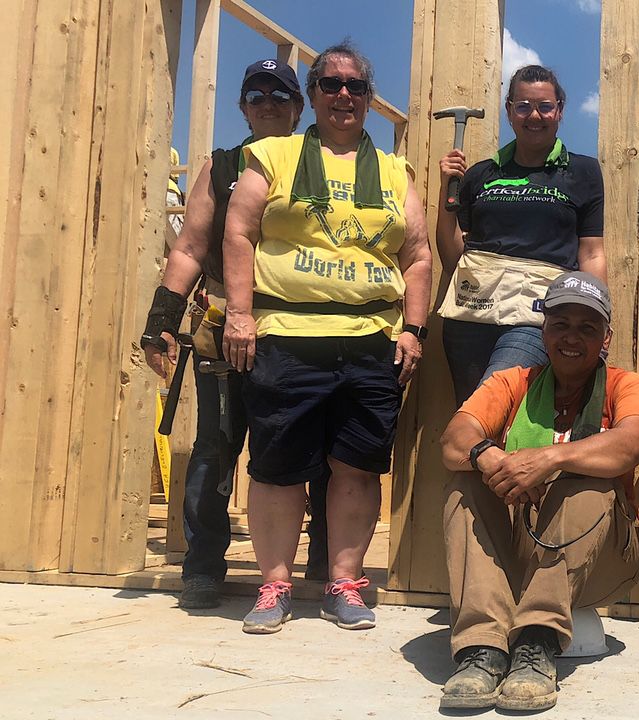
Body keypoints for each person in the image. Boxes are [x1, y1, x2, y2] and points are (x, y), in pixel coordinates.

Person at [221, 42, 433, 634]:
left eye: (356, 87)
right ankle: (273, 587)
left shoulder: (395, 170)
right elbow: (238, 232)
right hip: (286, 335)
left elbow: (418, 256)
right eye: (332, 84)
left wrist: (413, 329)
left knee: (359, 467)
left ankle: (344, 582)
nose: (344, 95)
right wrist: (240, 314)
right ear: (312, 95)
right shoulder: (273, 156)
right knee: (277, 466)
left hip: (371, 340)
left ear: (368, 98)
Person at [139, 59, 330, 610]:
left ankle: (316, 564)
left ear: (299, 107)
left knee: (309, 447)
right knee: (216, 447)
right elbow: (192, 246)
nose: (268, 104)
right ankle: (202, 567)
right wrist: (161, 323)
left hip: (301, 326)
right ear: (243, 107)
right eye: (256, 95)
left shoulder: (323, 164)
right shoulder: (222, 167)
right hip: (225, 327)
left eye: (281, 95)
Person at [437, 271, 639, 712]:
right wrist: (486, 456)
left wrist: (554, 458)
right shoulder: (512, 381)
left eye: (587, 328)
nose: (572, 337)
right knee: (465, 484)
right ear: (544, 329)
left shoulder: (625, 384)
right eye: (561, 324)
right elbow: (453, 439)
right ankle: (483, 649)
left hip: (604, 561)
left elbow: (635, 443)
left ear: (605, 338)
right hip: (521, 542)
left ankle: (537, 642)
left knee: (589, 483)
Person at [437, 65, 606, 406]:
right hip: (471, 314)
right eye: (523, 106)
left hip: (535, 316)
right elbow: (453, 257)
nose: (535, 116)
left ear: (559, 110)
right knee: (473, 421)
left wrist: (600, 314)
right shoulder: (479, 174)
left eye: (545, 106)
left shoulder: (582, 171)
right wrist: (446, 192)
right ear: (509, 111)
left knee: (489, 404)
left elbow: (591, 253)